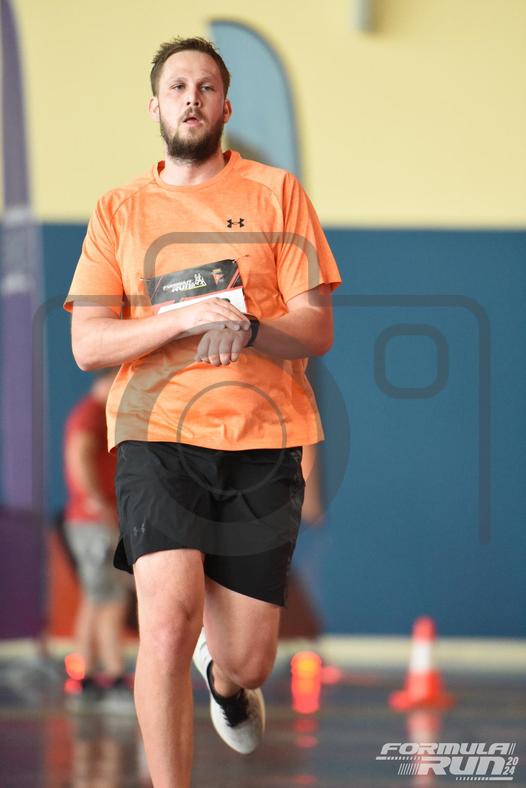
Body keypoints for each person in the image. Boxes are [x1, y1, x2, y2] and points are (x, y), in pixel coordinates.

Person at [64, 36, 341, 787]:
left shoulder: (276, 194)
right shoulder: (119, 209)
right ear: (155, 107)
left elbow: (316, 327)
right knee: (165, 619)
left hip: (263, 439)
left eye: (207, 87)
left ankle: (224, 678)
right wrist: (182, 319)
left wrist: (247, 326)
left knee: (250, 657)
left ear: (225, 106)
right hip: (156, 437)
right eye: (178, 86)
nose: (192, 97)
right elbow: (89, 344)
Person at [63, 369, 134, 714]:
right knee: (111, 599)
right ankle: (114, 678)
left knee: (95, 599)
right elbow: (79, 453)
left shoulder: (90, 413)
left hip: (89, 522)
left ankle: (87, 678)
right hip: (94, 524)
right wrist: (95, 501)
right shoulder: (92, 414)